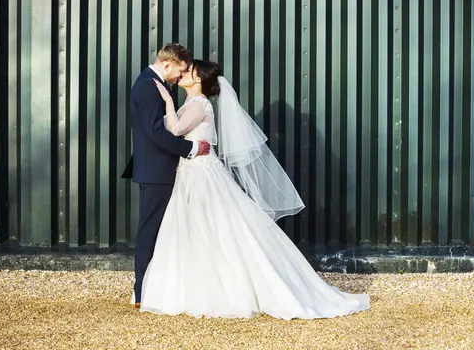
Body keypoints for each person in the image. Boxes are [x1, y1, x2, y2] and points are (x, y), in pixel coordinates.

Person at [138, 59, 369, 319]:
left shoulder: (199, 104)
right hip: (191, 172)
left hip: (201, 174)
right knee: (196, 228)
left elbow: (176, 129)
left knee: (212, 227)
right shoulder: (192, 104)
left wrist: (167, 103)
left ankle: (225, 289)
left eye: (188, 71)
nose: (182, 74)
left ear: (199, 79)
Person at [122, 43, 210, 308]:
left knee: (162, 230)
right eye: (179, 70)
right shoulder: (149, 86)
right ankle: (142, 291)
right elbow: (155, 132)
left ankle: (156, 287)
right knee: (150, 231)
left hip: (158, 169)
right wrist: (191, 148)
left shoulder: (151, 83)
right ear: (167, 64)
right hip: (156, 171)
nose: (179, 77)